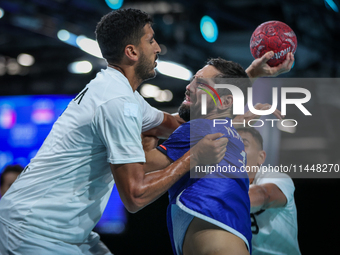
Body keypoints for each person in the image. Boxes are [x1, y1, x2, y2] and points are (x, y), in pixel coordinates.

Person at [0, 9, 228, 254]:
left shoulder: (122, 94)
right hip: (32, 233)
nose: (158, 48)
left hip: (64, 233)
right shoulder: (116, 101)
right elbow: (135, 196)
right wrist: (192, 159)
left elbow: (178, 125)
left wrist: (239, 90)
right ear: (131, 52)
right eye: (151, 40)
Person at [236, 127, 301, 255]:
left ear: (261, 157)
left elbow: (264, 195)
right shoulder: (221, 184)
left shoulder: (277, 178)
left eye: (243, 144)